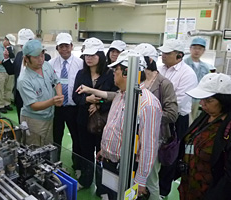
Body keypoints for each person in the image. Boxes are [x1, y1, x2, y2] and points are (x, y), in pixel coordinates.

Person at [76, 50, 163, 200]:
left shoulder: (147, 104)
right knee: (111, 196)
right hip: (111, 163)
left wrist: (141, 180)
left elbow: (148, 146)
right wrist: (105, 150)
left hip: (127, 167)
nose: (113, 73)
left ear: (126, 73)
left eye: (115, 70)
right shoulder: (121, 95)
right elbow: (114, 126)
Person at [178, 73, 231, 200]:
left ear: (224, 101)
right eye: (202, 99)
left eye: (209, 100)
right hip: (189, 187)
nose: (202, 104)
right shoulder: (205, 116)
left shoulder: (230, 127)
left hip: (212, 193)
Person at [72, 37, 118, 189]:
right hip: (83, 120)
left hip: (103, 123)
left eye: (93, 55)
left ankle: (101, 187)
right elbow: (75, 96)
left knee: (102, 154)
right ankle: (85, 180)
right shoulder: (81, 74)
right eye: (87, 55)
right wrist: (87, 100)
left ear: (100, 55)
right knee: (85, 153)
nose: (89, 58)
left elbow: (114, 97)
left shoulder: (110, 75)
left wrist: (98, 104)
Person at [157, 39, 198, 197]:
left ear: (179, 55)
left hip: (176, 120)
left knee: (170, 156)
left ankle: (163, 190)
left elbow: (178, 102)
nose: (163, 56)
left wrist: (154, 107)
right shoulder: (160, 68)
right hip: (156, 115)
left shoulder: (187, 74)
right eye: (163, 53)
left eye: (168, 53)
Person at [17, 40, 64, 146]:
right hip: (34, 120)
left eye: (42, 55)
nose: (41, 59)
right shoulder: (24, 80)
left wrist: (59, 96)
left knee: (47, 145)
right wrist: (53, 101)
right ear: (26, 59)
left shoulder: (46, 66)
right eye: (36, 57)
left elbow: (57, 82)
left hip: (49, 117)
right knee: (35, 149)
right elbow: (34, 106)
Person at [48, 33, 83, 173]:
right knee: (56, 137)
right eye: (61, 46)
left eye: (66, 46)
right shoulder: (51, 64)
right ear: (57, 48)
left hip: (73, 107)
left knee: (76, 137)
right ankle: (55, 163)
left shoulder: (80, 64)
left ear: (72, 47)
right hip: (57, 108)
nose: (64, 49)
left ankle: (77, 165)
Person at [2, 28, 35, 123]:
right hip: (19, 94)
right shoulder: (19, 55)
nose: (22, 47)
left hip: (33, 94)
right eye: (21, 45)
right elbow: (12, 71)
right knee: (22, 119)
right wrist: (6, 59)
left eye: (24, 45)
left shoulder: (40, 57)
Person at [184, 37, 214, 120]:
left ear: (203, 51)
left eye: (200, 49)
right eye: (195, 48)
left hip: (198, 99)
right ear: (190, 49)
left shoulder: (206, 67)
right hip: (185, 97)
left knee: (195, 120)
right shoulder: (183, 63)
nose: (197, 51)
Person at [0, 34, 16, 113]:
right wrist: (2, 63)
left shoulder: (11, 48)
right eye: (9, 43)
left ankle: (7, 103)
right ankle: (0, 105)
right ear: (5, 40)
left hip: (9, 71)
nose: (10, 45)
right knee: (0, 89)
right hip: (0, 71)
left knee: (9, 88)